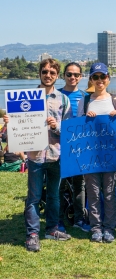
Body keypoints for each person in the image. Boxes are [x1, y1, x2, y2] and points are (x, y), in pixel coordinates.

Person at [3, 58, 73, 252]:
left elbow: (68, 129)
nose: (48, 75)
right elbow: (10, 135)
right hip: (34, 156)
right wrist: (9, 123)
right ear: (39, 74)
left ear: (57, 76)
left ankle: (52, 229)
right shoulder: (24, 97)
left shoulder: (63, 99)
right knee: (33, 197)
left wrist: (55, 126)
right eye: (45, 72)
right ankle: (32, 235)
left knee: (54, 196)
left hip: (56, 155)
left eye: (52, 72)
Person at [77, 63, 116, 243]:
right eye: (95, 77)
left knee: (110, 191)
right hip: (90, 154)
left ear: (108, 79)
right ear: (91, 80)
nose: (99, 80)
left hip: (110, 154)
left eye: (102, 77)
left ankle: (109, 227)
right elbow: (78, 126)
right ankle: (96, 227)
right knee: (93, 192)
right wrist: (86, 118)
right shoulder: (85, 101)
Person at [57, 62, 90, 233]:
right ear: (64, 76)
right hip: (60, 146)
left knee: (79, 184)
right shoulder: (57, 95)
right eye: (69, 74)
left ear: (81, 77)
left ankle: (79, 218)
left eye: (76, 75)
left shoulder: (86, 96)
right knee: (60, 185)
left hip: (79, 147)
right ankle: (59, 220)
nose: (72, 78)